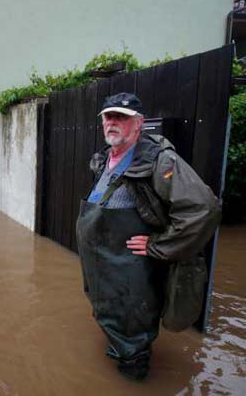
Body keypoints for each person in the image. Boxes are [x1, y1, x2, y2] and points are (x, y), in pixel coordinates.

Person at [76, 93, 221, 381]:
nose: (112, 123)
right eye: (108, 117)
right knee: (112, 325)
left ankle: (134, 376)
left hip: (131, 280)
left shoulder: (160, 161)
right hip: (104, 274)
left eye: (121, 117)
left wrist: (159, 246)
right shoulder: (105, 158)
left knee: (132, 342)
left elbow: (203, 209)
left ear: (138, 123)